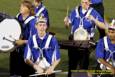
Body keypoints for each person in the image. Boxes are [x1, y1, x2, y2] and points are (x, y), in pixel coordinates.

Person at [64, 0, 106, 77]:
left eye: (86, 2)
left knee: (83, 66)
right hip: (73, 41)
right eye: (82, 2)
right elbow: (67, 26)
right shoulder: (75, 11)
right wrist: (66, 23)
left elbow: (103, 26)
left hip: (86, 42)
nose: (84, 4)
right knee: (72, 64)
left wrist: (94, 20)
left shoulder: (93, 12)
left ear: (90, 3)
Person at [10, 0, 36, 77]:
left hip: (27, 53)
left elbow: (35, 40)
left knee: (25, 73)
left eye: (23, 6)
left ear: (28, 9)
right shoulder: (18, 16)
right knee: (14, 73)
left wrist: (23, 42)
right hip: (15, 50)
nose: (20, 7)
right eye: (21, 6)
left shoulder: (33, 22)